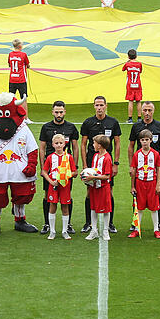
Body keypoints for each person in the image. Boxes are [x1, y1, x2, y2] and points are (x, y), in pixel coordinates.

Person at [79, 97, 120, 234]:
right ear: (94, 106)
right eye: (97, 105)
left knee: (108, 191)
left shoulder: (113, 122)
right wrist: (85, 165)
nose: (99, 107)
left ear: (106, 106)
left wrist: (116, 163)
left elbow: (117, 144)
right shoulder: (88, 122)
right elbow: (83, 144)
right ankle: (88, 223)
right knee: (90, 192)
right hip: (92, 161)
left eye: (101, 105)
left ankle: (110, 223)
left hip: (107, 161)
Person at [38, 102, 80, 235]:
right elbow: (42, 148)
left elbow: (75, 147)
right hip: (51, 169)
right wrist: (42, 167)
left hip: (66, 169)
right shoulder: (46, 127)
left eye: (61, 112)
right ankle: (47, 224)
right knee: (48, 196)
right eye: (56, 112)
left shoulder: (71, 127)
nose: (59, 115)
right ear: (52, 112)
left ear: (65, 112)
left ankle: (68, 225)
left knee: (67, 196)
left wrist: (75, 167)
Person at [129, 130, 160, 239]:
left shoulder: (155, 154)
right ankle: (137, 229)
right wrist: (132, 186)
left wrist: (158, 185)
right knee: (139, 207)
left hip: (152, 183)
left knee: (154, 207)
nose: (145, 142)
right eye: (142, 140)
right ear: (140, 141)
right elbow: (133, 171)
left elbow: (158, 170)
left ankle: (156, 230)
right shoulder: (136, 154)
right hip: (140, 183)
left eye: (147, 140)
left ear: (151, 140)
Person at [42, 134, 75, 241]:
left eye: (61, 143)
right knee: (52, 206)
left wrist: (65, 177)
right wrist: (51, 182)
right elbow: (44, 171)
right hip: (54, 186)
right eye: (56, 143)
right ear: (52, 145)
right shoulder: (50, 157)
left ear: (65, 144)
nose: (59, 145)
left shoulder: (68, 157)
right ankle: (52, 231)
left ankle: (65, 231)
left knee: (65, 207)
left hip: (65, 186)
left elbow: (74, 172)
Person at [83, 135, 114, 241]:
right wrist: (86, 176)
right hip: (94, 187)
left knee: (106, 210)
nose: (93, 145)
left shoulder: (107, 158)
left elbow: (107, 176)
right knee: (93, 208)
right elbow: (93, 170)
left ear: (99, 145)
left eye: (94, 143)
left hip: (103, 188)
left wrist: (92, 177)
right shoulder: (95, 156)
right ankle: (94, 230)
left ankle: (105, 230)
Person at [122, 49, 143, 123]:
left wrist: (128, 62)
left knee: (130, 101)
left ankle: (130, 118)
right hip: (138, 85)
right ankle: (139, 118)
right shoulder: (139, 64)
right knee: (138, 101)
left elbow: (123, 69)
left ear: (128, 56)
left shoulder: (127, 64)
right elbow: (140, 71)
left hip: (130, 85)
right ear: (136, 56)